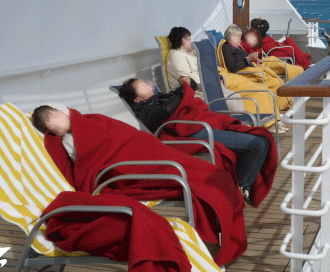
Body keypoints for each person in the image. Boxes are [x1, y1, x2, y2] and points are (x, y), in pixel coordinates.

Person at [31, 104, 248, 265]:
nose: (59, 126)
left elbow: (122, 134)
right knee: (202, 181)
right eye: (53, 127)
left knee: (213, 175)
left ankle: (216, 234)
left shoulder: (91, 119)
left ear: (60, 112)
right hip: (129, 168)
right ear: (52, 131)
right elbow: (87, 167)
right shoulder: (69, 141)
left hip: (145, 150)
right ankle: (215, 239)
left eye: (56, 118)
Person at [118, 78, 277, 206]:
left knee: (262, 140)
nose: (147, 85)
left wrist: (185, 86)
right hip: (192, 132)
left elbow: (185, 100)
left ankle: (245, 186)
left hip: (201, 124)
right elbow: (167, 110)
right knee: (257, 143)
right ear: (137, 99)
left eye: (145, 82)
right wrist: (185, 89)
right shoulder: (144, 110)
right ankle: (239, 188)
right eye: (142, 86)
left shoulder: (160, 97)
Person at [166, 26, 244, 112]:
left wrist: (217, 76)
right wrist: (212, 79)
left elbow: (204, 69)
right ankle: (237, 124)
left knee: (236, 96)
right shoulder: (175, 55)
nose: (191, 42)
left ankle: (243, 124)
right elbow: (188, 79)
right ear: (183, 41)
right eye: (189, 39)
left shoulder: (188, 54)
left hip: (205, 88)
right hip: (197, 92)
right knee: (231, 104)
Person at [219, 25, 292, 114]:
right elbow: (232, 67)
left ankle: (279, 106)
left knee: (276, 81)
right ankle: (275, 108)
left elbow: (243, 58)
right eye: (237, 36)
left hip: (251, 68)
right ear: (230, 37)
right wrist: (248, 59)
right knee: (273, 83)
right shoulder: (227, 48)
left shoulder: (236, 47)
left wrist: (254, 60)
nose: (239, 39)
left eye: (239, 36)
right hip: (245, 73)